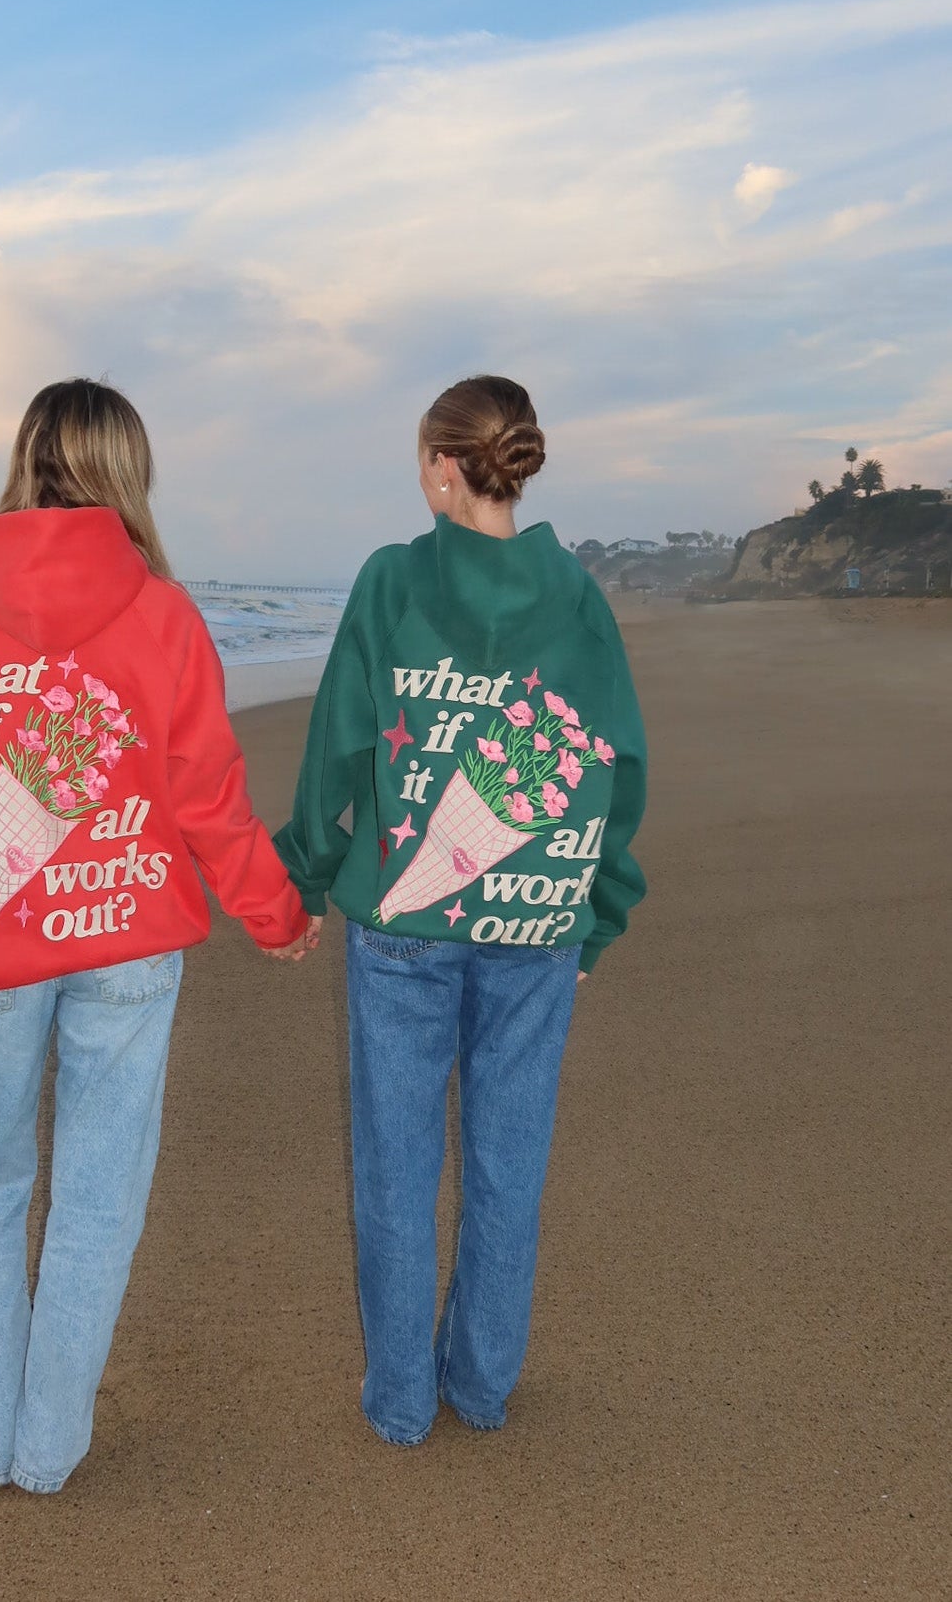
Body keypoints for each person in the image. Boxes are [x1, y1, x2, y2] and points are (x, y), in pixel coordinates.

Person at [0, 378, 312, 1493]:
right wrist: (276, 913)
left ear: (24, 457)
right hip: (125, 943)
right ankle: (47, 1447)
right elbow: (207, 792)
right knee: (98, 1195)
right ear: (127, 470)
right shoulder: (162, 613)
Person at [274, 375, 647, 1446]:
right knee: (508, 1160)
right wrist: (599, 905)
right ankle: (478, 1386)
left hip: (402, 925)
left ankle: (400, 1398)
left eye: (421, 461)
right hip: (537, 922)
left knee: (396, 1164)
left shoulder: (392, 582)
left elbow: (341, 750)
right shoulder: (576, 595)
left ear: (447, 466)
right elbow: (616, 762)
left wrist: (306, 875)